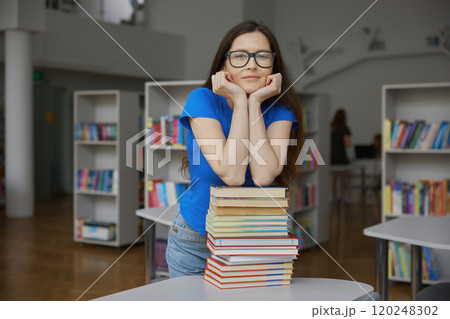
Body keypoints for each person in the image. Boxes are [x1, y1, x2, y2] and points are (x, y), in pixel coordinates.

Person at [165, 21, 304, 277]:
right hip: (197, 239)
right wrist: (241, 101)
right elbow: (233, 174)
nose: (252, 64)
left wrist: (255, 102)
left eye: (262, 56)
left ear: (274, 66)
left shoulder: (281, 109)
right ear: (223, 65)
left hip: (258, 237)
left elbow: (263, 176)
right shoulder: (202, 99)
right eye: (240, 56)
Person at [330, 109, 352, 202]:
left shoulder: (331, 128)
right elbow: (347, 144)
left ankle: (333, 197)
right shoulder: (344, 129)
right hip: (341, 157)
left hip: (331, 156)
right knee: (344, 178)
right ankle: (340, 197)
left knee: (332, 178)